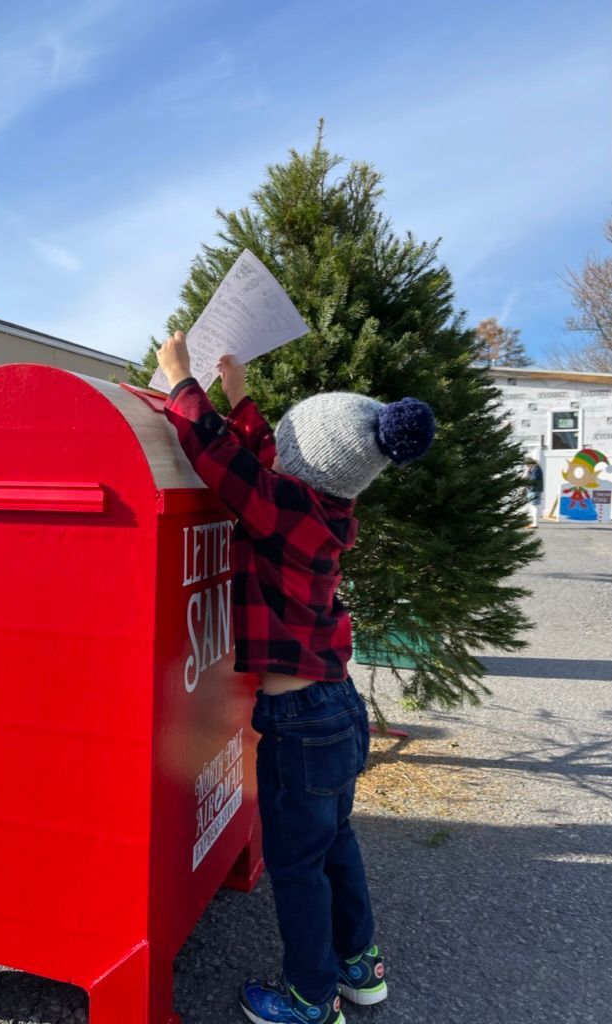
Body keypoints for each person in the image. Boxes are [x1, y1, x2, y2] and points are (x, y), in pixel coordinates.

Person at [157, 331, 435, 1024]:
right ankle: (359, 967)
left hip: (300, 726)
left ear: (299, 464)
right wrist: (242, 397)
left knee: (296, 869)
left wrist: (180, 382)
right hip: (335, 712)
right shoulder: (325, 510)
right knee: (336, 843)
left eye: (284, 443)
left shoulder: (280, 507)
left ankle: (310, 999)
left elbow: (221, 461)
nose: (272, 450)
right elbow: (263, 464)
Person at [522, 456, 543, 528]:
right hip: (532, 489)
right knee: (531, 506)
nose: (527, 466)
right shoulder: (533, 469)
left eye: (527, 464)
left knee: (534, 506)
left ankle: (535, 523)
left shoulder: (536, 469)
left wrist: (527, 475)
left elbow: (533, 479)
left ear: (531, 463)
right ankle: (533, 522)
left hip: (534, 489)